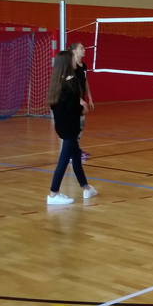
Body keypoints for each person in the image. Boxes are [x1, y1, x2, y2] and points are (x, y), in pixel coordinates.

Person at [46, 50, 98, 204]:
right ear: (67, 63)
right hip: (70, 126)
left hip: (62, 125)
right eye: (73, 59)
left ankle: (86, 188)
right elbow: (73, 107)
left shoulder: (57, 81)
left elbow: (60, 106)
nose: (76, 60)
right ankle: (53, 194)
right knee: (63, 160)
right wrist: (83, 109)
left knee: (76, 157)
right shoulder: (72, 82)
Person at [70, 42, 95, 161]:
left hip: (82, 100)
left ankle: (76, 150)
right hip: (74, 100)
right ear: (74, 51)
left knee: (81, 125)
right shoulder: (71, 66)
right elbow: (70, 86)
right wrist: (79, 100)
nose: (84, 50)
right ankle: (72, 154)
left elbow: (85, 82)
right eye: (81, 48)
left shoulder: (83, 65)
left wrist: (89, 98)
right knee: (75, 127)